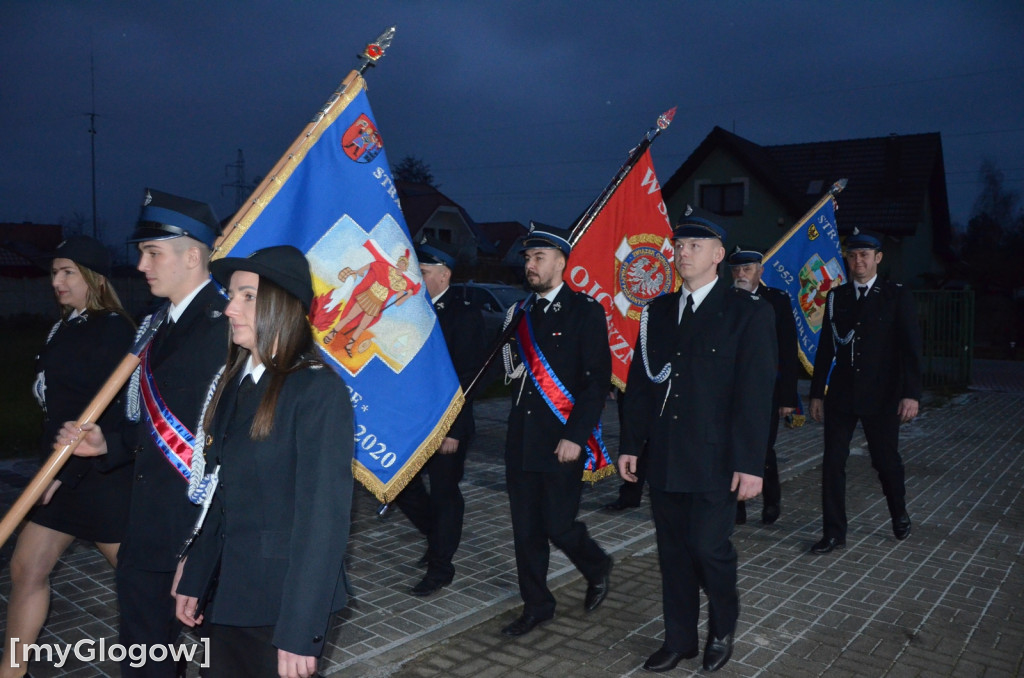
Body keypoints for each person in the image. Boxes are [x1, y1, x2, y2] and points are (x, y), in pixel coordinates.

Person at [58, 189, 228, 677]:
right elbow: (144, 427)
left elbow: (227, 440)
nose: (140, 265)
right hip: (147, 528)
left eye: (153, 253)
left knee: (222, 660)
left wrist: (202, 545)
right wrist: (106, 444)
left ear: (193, 255)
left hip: (201, 532)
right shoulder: (154, 325)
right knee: (146, 658)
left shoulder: (227, 326)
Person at [173, 245, 354, 678]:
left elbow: (322, 522)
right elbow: (221, 492)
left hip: (278, 603)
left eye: (246, 295)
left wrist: (299, 630)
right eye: (231, 294)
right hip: (228, 591)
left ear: (282, 304)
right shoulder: (237, 382)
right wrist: (195, 577)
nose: (229, 307)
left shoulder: (316, 391)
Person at [618, 207, 776, 673]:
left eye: (694, 246)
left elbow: (755, 394)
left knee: (709, 548)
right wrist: (631, 444)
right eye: (679, 246)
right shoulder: (659, 311)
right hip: (666, 455)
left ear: (718, 255)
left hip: (716, 458)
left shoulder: (748, 312)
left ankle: (722, 627)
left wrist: (751, 464)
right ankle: (680, 639)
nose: (682, 253)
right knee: (673, 554)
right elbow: (641, 385)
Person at [2, 236, 135, 678]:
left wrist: (68, 471)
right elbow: (56, 411)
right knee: (26, 568)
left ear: (93, 278)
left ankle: (224, 646)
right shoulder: (65, 325)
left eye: (67, 272)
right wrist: (49, 469)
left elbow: (114, 412)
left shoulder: (113, 329)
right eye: (54, 272)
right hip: (56, 474)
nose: (56, 281)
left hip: (97, 478)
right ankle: (12, 669)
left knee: (143, 585)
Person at [499, 224, 614, 637]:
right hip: (521, 441)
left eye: (539, 258)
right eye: (527, 258)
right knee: (525, 532)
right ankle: (537, 605)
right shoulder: (519, 314)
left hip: (562, 441)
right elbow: (511, 375)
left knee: (558, 525)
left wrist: (576, 435)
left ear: (562, 262)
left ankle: (596, 563)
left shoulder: (586, 311)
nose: (529, 265)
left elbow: (597, 381)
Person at [808, 229, 922, 555]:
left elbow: (911, 348)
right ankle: (833, 533)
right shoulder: (837, 296)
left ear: (878, 258)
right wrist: (817, 393)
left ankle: (898, 511)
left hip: (883, 395)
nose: (859, 261)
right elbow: (826, 348)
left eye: (865, 255)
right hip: (842, 395)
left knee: (885, 462)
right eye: (853, 255)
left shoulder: (896, 295)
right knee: (832, 464)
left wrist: (911, 394)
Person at [393, 236, 485, 596]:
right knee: (400, 487)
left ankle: (441, 566)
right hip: (412, 423)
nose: (416, 277)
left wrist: (454, 430)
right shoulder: (408, 310)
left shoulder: (464, 314)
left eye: (424, 271)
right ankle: (438, 537)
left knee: (445, 493)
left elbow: (469, 378)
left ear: (444, 275)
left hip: (447, 424)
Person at [728, 246, 800, 525]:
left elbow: (787, 350)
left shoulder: (776, 301)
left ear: (760, 271)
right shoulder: (725, 300)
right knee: (732, 445)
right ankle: (737, 508)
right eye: (736, 269)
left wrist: (787, 397)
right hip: (731, 390)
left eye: (747, 269)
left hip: (766, 390)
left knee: (763, 447)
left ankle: (771, 501)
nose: (741, 274)